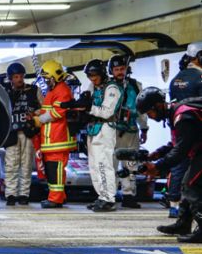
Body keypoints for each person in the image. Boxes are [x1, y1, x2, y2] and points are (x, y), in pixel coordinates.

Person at [137, 88, 202, 242]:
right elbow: (179, 143)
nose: (150, 117)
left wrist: (158, 166)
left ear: (158, 105)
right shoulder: (176, 114)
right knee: (187, 184)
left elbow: (181, 150)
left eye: (149, 112)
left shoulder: (182, 116)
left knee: (191, 185)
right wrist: (158, 153)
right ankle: (184, 224)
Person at [78, 59, 122, 212]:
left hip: (105, 128)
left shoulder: (112, 88)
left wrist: (89, 107)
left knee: (104, 164)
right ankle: (101, 196)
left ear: (102, 73)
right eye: (90, 76)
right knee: (94, 165)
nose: (92, 78)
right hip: (93, 128)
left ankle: (109, 198)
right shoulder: (93, 87)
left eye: (95, 75)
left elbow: (107, 112)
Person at [33, 60, 76, 208]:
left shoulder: (62, 90)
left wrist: (39, 119)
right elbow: (49, 108)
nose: (45, 81)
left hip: (58, 138)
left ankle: (55, 199)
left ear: (54, 77)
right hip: (52, 139)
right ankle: (59, 196)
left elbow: (58, 112)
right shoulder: (55, 90)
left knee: (54, 169)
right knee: (54, 170)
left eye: (47, 78)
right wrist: (38, 113)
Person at [107, 55, 148, 209]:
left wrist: (144, 128)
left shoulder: (136, 85)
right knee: (111, 164)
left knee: (131, 165)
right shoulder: (107, 86)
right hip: (111, 131)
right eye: (116, 69)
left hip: (131, 130)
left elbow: (142, 108)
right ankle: (109, 195)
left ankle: (128, 195)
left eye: (122, 69)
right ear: (111, 71)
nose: (120, 72)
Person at [167, 42, 202, 217]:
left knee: (178, 164)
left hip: (177, 125)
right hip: (196, 128)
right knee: (194, 170)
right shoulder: (200, 77)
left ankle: (174, 204)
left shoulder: (177, 78)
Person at [2, 62, 41, 206]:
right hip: (11, 132)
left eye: (21, 76)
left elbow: (42, 108)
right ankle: (11, 194)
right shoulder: (5, 91)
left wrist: (34, 114)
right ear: (10, 78)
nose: (19, 79)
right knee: (11, 164)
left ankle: (24, 194)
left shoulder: (33, 90)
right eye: (16, 77)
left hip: (28, 131)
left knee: (26, 164)